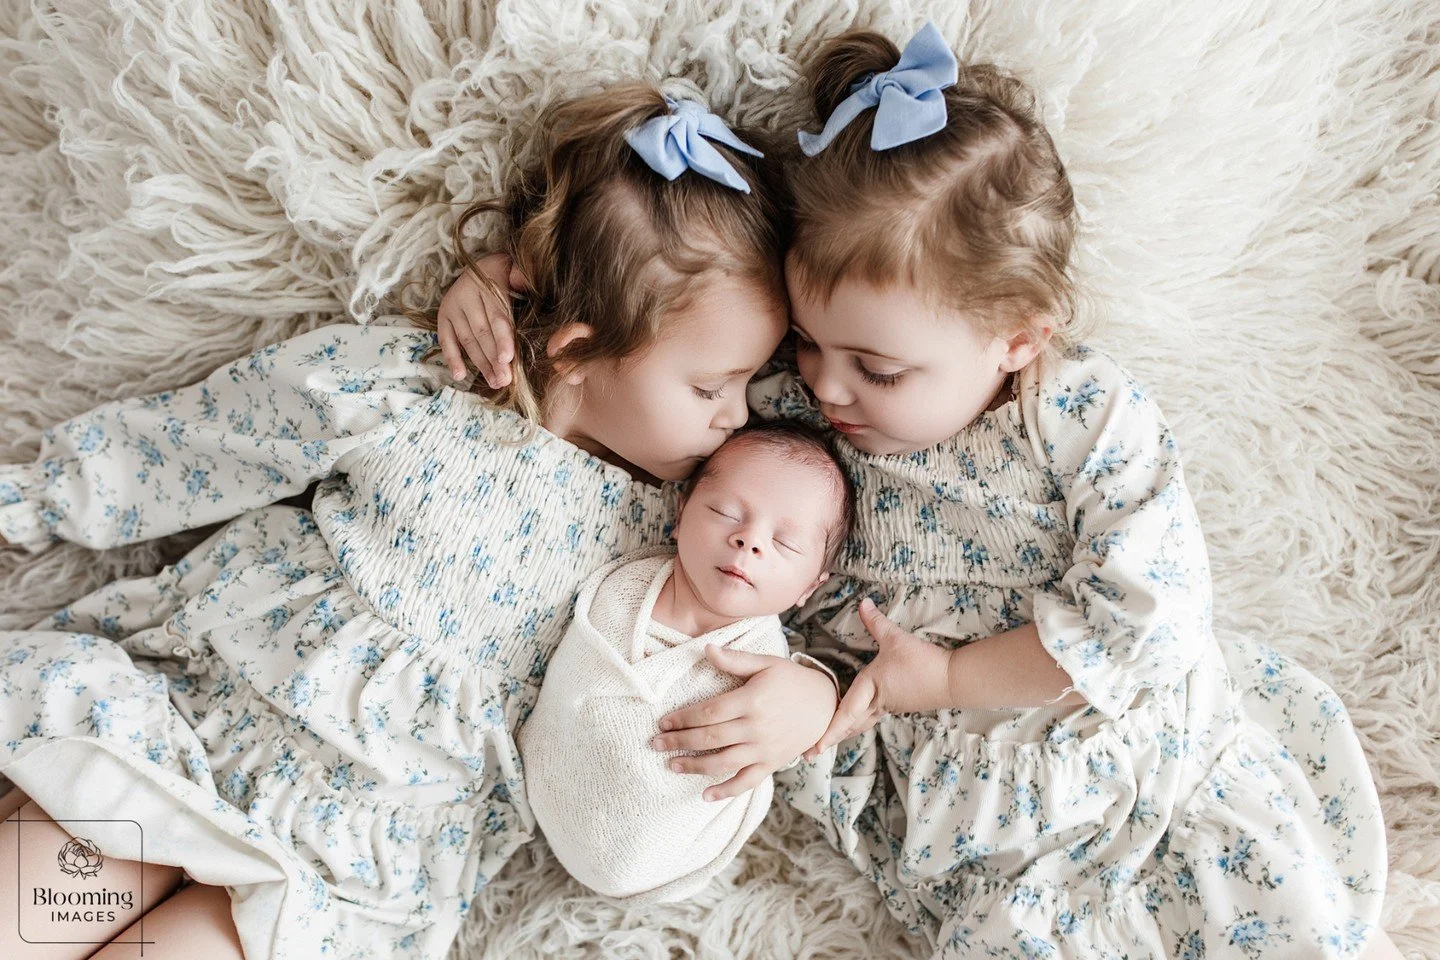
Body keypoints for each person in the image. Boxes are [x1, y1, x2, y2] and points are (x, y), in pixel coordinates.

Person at [446, 22, 1402, 959]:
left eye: (878, 368)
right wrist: (509, 287)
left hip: (1131, 764)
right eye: (812, 343)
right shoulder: (797, 415)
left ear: (1017, 338)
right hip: (979, 843)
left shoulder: (1075, 415)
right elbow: (653, 343)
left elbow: (1149, 621)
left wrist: (947, 679)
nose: (827, 382)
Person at [0, 85, 839, 960]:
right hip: (197, 724)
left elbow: (755, 609)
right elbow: (222, 434)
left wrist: (809, 698)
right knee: (26, 909)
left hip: (355, 848)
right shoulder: (420, 391)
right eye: (711, 388)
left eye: (745, 386)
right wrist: (41, 497)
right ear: (576, 350)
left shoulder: (684, 527)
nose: (737, 418)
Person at [521, 419, 856, 904]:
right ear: (680, 514)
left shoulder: (768, 667)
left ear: (810, 587)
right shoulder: (623, 585)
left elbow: (783, 738)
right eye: (724, 511)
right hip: (551, 793)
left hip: (669, 851)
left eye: (784, 543)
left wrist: (820, 692)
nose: (749, 540)